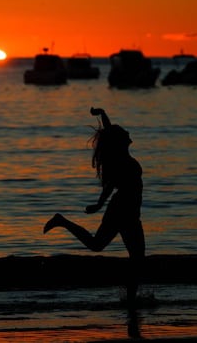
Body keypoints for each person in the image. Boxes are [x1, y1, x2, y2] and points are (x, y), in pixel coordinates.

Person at [44, 107, 145, 305]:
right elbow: (109, 186)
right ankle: (62, 221)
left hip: (130, 212)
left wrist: (103, 113)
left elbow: (109, 132)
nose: (128, 133)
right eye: (125, 132)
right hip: (122, 211)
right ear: (120, 139)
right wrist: (99, 205)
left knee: (133, 257)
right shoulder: (122, 160)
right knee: (108, 249)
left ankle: (131, 300)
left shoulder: (121, 154)